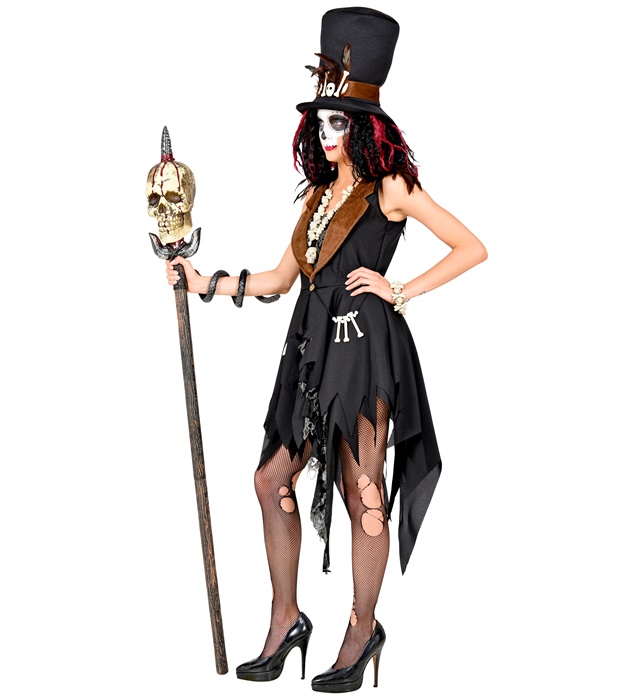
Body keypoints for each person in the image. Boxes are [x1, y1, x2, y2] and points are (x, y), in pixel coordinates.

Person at [165, 6, 487, 693]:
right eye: (321, 121)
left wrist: (399, 289)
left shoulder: (391, 188)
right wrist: (203, 282)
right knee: (270, 480)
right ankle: (287, 619)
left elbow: (471, 247)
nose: (326, 133)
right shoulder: (316, 196)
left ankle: (362, 628)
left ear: (365, 125)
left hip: (364, 351)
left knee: (362, 491)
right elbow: (281, 279)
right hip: (311, 350)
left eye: (339, 121)